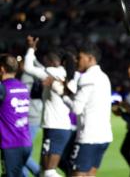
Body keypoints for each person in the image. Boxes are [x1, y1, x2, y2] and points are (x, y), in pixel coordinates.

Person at [23, 36, 71, 177]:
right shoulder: (65, 72)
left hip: (55, 127)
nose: (46, 66)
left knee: (48, 172)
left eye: (46, 62)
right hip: (58, 126)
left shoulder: (53, 73)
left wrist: (31, 49)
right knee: (45, 171)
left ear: (53, 62)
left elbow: (28, 68)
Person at [62, 43, 113, 176]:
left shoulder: (86, 78)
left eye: (79, 57)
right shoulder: (104, 77)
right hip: (104, 136)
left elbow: (76, 108)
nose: (76, 61)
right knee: (90, 174)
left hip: (88, 137)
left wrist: (63, 96)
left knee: (76, 174)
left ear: (90, 58)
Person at [0, 54, 32, 177]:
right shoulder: (23, 86)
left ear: (2, 69)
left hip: (10, 143)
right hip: (25, 142)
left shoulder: (3, 88)